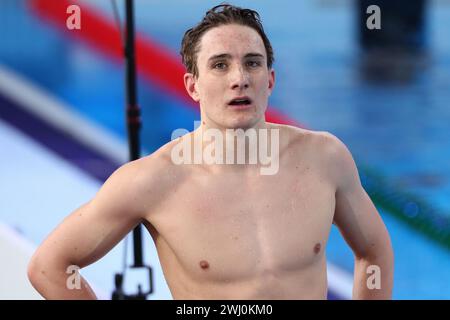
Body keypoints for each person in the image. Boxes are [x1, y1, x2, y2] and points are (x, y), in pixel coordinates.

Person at [27, 4, 393, 300]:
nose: (240, 78)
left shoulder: (325, 158)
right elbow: (49, 266)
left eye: (252, 62)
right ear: (192, 85)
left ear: (270, 79)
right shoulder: (154, 180)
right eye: (220, 65)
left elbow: (375, 253)